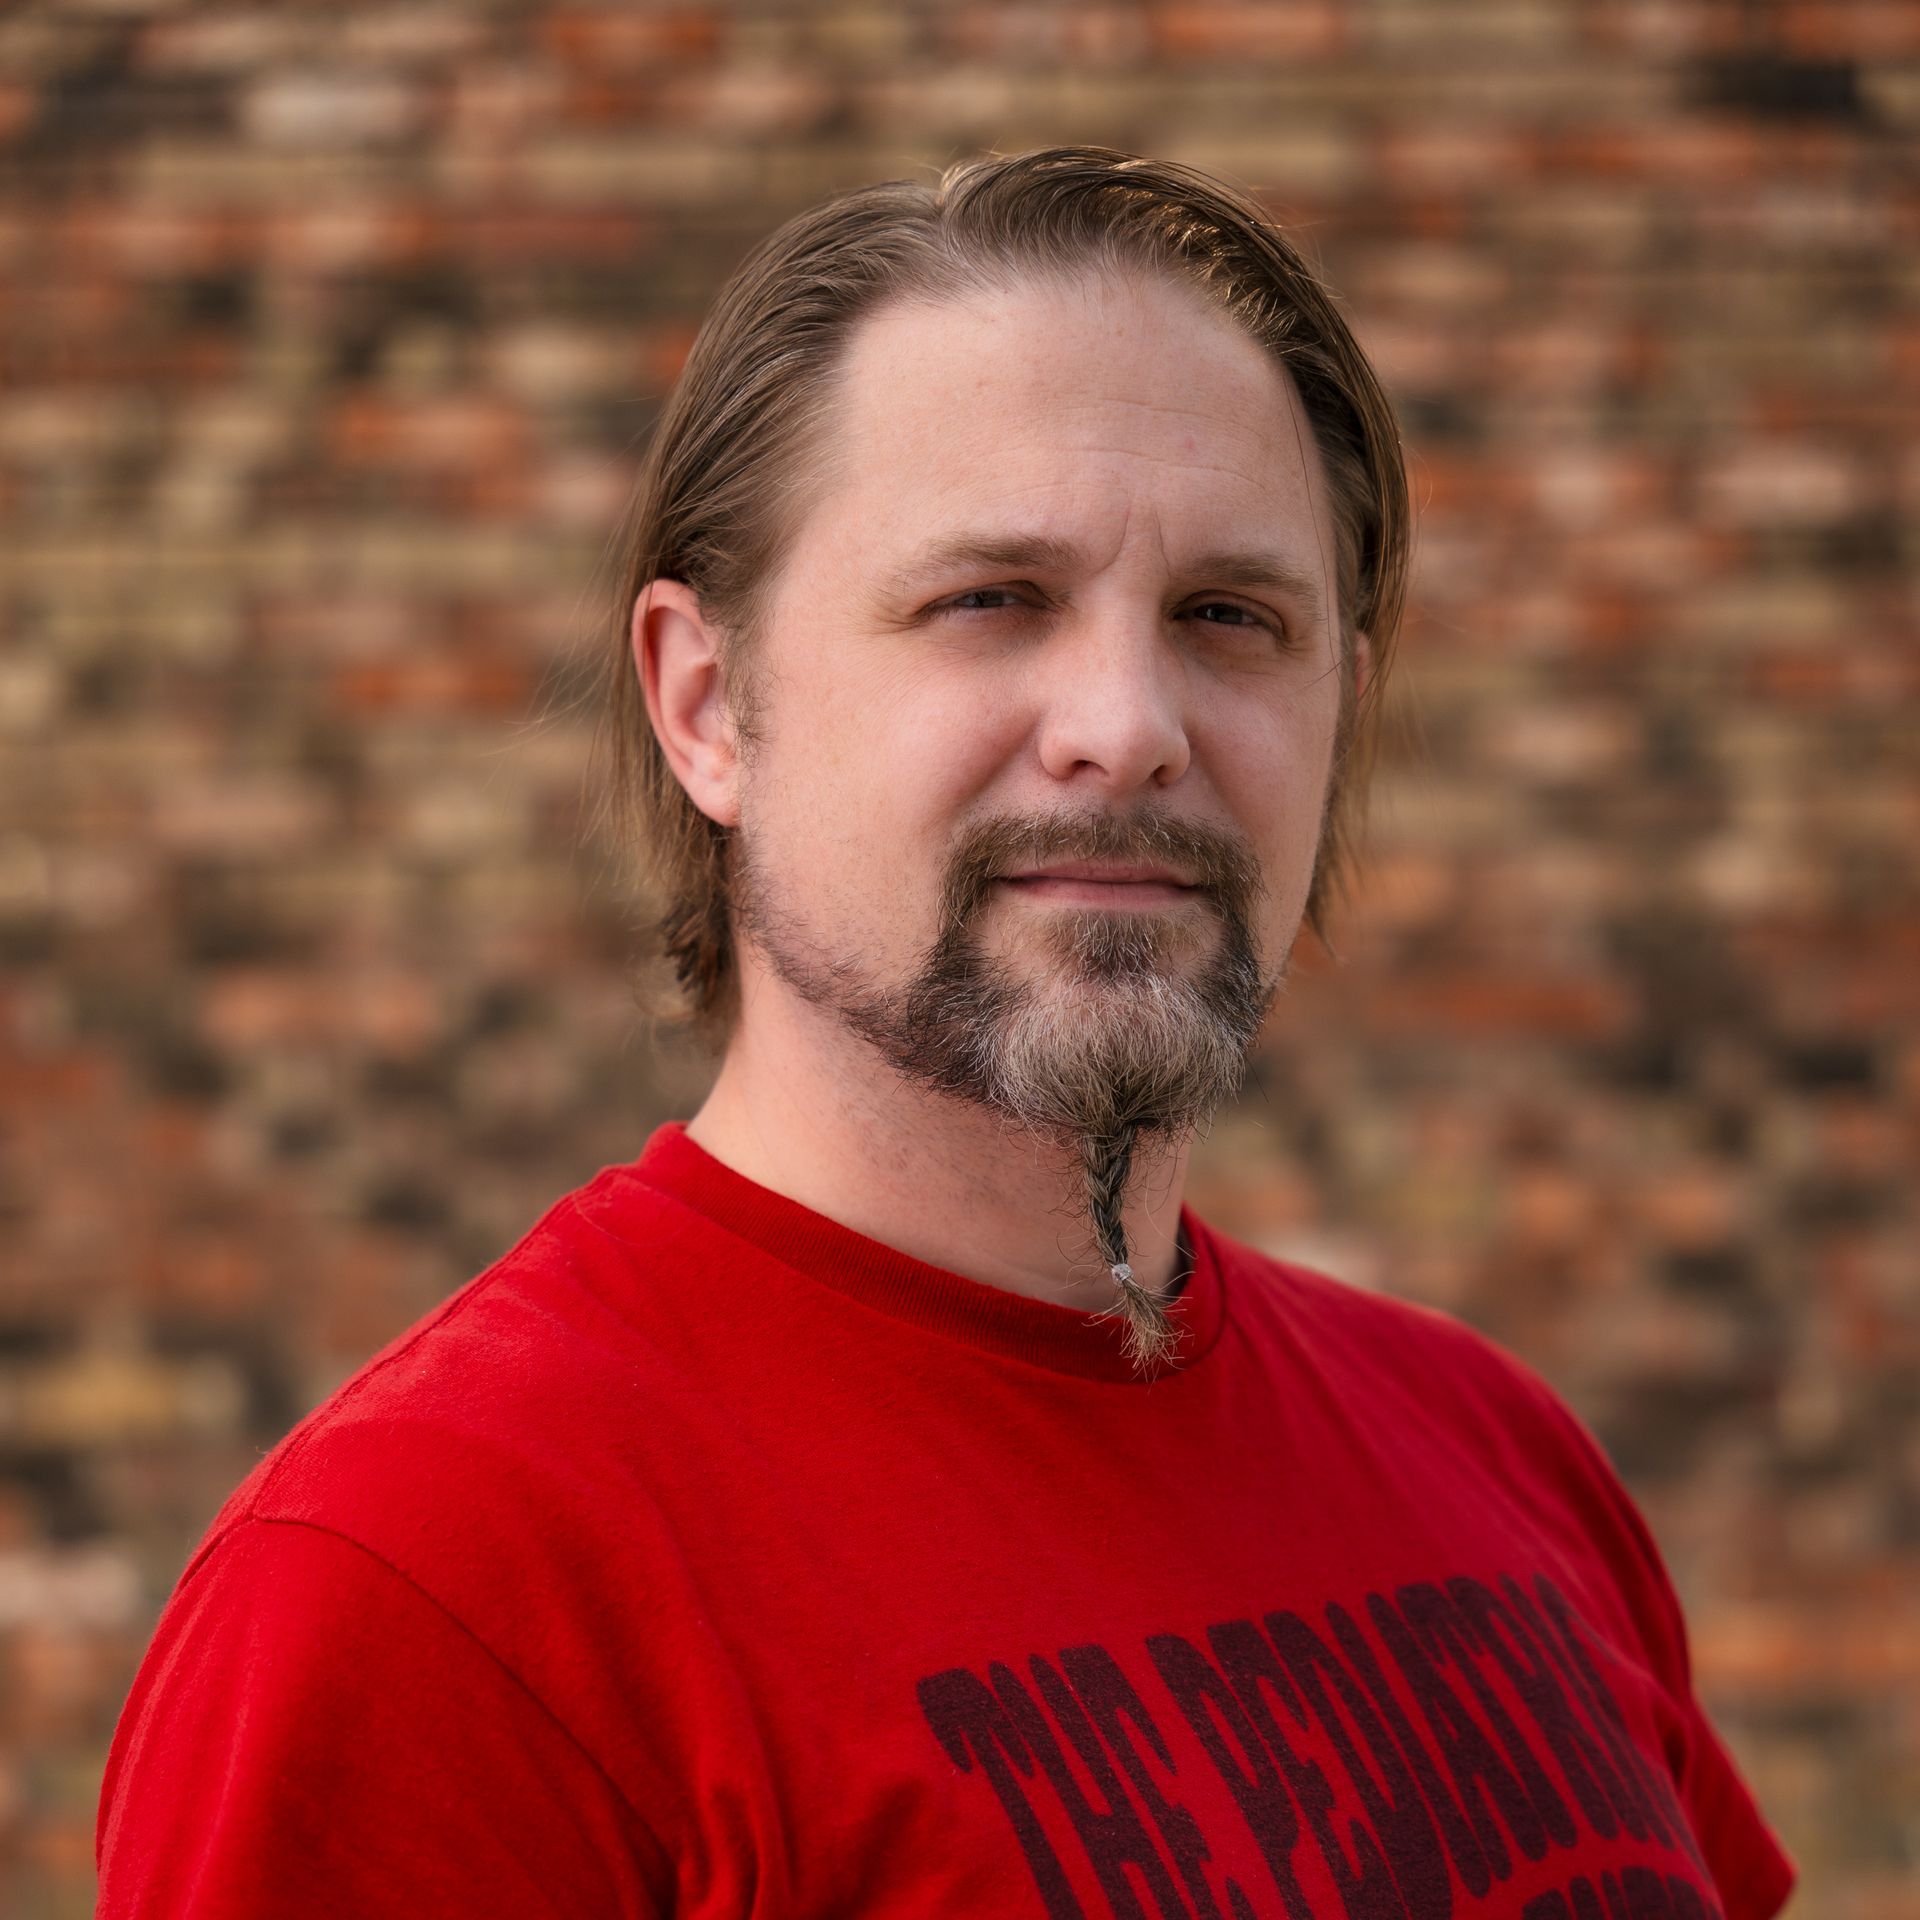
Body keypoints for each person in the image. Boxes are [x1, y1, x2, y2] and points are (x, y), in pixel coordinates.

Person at [95, 146, 1796, 1920]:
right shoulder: (436, 1588)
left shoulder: (1500, 1453)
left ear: (1341, 712)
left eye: (1232, 618)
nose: (1130, 725)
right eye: (990, 600)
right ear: (708, 704)